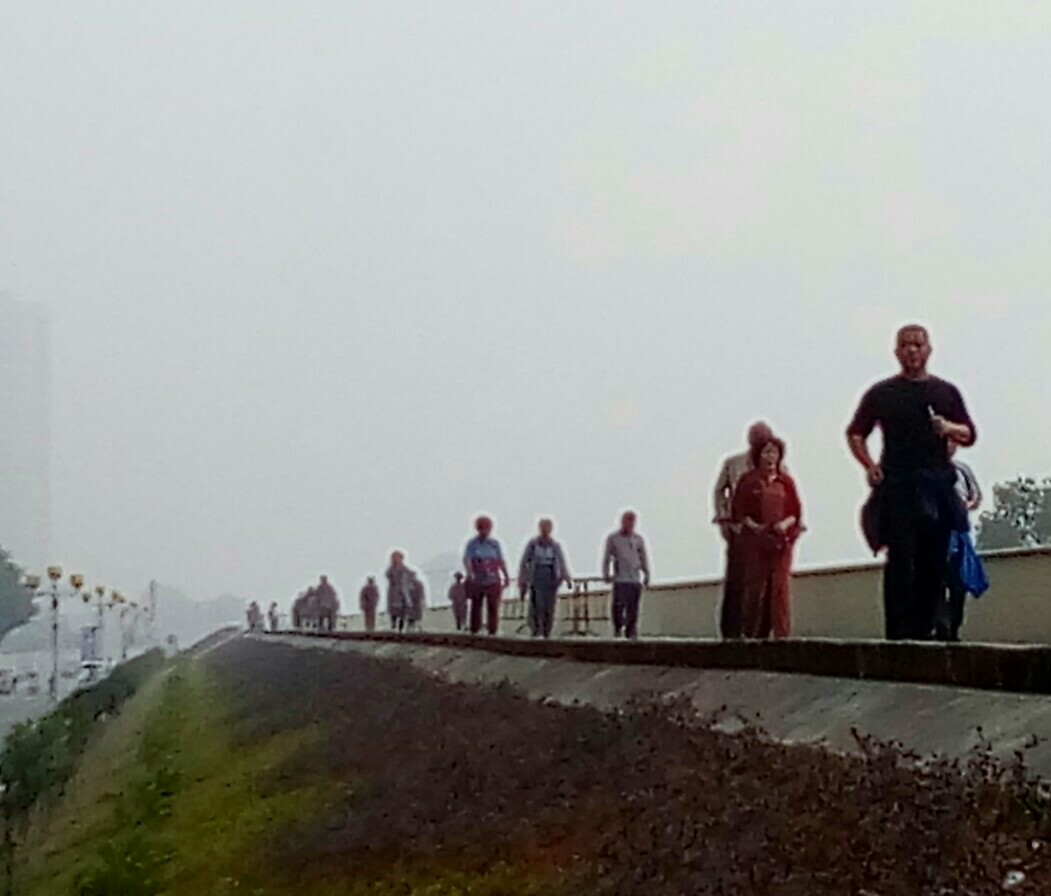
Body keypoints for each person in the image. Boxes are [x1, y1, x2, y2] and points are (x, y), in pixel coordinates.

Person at [847, 325, 977, 640]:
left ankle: (928, 630)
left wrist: (948, 428)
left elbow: (969, 433)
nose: (912, 350)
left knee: (935, 562)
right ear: (896, 352)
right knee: (901, 562)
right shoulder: (882, 393)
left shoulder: (945, 392)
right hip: (898, 487)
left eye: (918, 344)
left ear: (928, 350)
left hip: (938, 487)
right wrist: (869, 465)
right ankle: (899, 635)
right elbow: (856, 433)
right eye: (906, 345)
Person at [713, 422, 783, 639]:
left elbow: (788, 497)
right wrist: (724, 520)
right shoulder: (733, 463)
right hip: (740, 531)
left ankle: (761, 631)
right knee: (736, 581)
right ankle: (731, 632)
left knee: (766, 584)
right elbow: (719, 491)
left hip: (767, 535)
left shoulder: (778, 466)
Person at [731, 437, 804, 639]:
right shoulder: (748, 481)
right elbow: (739, 512)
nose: (770, 457)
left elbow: (795, 512)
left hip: (781, 542)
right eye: (766, 452)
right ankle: (750, 634)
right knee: (755, 587)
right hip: (755, 542)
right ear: (758, 456)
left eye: (774, 452)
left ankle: (782, 635)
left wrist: (784, 525)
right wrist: (757, 528)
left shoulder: (785, 481)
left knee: (780, 588)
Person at [935, 445, 984, 641]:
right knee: (936, 582)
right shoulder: (925, 470)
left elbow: (976, 496)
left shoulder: (961, 469)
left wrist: (965, 506)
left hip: (958, 532)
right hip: (935, 534)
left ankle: (953, 627)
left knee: (959, 583)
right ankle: (941, 628)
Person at [518, 518, 573, 638]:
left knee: (550, 605)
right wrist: (522, 579)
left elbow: (561, 562)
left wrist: (567, 577)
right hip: (536, 576)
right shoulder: (533, 544)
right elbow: (524, 562)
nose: (545, 530)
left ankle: (547, 631)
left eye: (548, 527)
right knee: (538, 604)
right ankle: (537, 629)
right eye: (543, 527)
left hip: (551, 577)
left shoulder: (555, 545)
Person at [602, 511, 651, 639]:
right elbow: (607, 557)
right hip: (620, 579)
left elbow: (643, 557)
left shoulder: (638, 539)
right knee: (618, 606)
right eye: (627, 521)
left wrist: (646, 573)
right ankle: (618, 629)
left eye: (632, 521)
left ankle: (631, 631)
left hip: (634, 579)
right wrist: (606, 573)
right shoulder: (613, 538)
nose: (629, 524)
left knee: (633, 607)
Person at [463, 516, 510, 636]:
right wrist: (470, 573)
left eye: (486, 527)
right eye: (481, 527)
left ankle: (492, 631)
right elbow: (467, 559)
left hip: (493, 579)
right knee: (476, 605)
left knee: (493, 606)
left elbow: (500, 560)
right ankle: (475, 630)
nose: (484, 530)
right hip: (477, 579)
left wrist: (506, 575)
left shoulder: (494, 544)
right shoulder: (472, 544)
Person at [386, 551, 413, 633]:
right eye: (394, 558)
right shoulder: (391, 569)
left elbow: (409, 576)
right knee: (393, 610)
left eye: (397, 557)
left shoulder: (405, 569)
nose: (395, 559)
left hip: (403, 592)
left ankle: (401, 627)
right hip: (394, 592)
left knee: (402, 611)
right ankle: (393, 624)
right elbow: (388, 575)